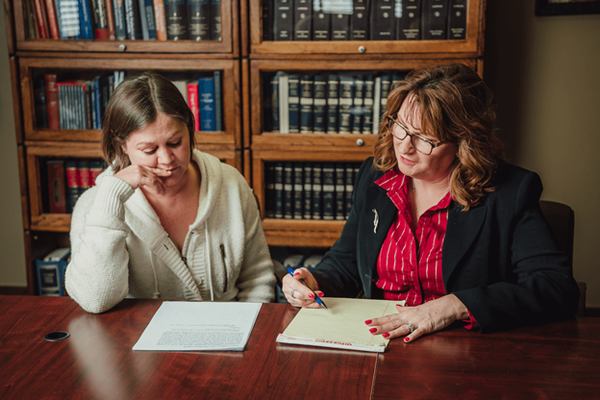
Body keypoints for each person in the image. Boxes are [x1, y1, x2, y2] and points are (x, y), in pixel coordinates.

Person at [282, 63, 579, 342]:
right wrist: (313, 280)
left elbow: (556, 287)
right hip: (380, 339)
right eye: (400, 127)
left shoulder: (509, 192)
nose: (405, 146)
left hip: (462, 348)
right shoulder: (375, 177)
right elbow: (347, 263)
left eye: (425, 138)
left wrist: (455, 305)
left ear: (464, 143)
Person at [66, 71, 275, 313]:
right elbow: (95, 301)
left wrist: (248, 334)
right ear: (121, 144)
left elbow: (258, 280)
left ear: (189, 128)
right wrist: (110, 199)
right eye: (149, 149)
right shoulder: (95, 205)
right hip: (136, 344)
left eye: (175, 143)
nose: (166, 159)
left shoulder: (231, 185)